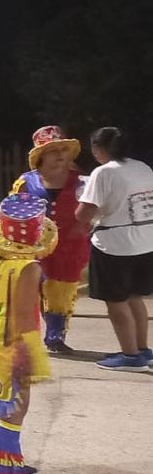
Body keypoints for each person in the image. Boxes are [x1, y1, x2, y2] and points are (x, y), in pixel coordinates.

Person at [0, 194, 57, 474]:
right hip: (12, 340)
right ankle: (6, 471)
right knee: (18, 404)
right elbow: (24, 317)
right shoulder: (28, 269)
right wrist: (31, 356)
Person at [76, 126, 153, 371]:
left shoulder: (103, 173)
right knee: (135, 297)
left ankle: (129, 355)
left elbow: (84, 212)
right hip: (145, 240)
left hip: (114, 244)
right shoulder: (142, 168)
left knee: (116, 301)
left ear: (100, 148)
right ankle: (141, 349)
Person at [11, 126, 93, 353]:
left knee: (62, 291)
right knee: (33, 288)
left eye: (63, 150)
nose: (60, 155)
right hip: (34, 245)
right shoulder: (26, 182)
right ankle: (34, 330)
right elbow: (14, 211)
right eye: (53, 151)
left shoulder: (83, 182)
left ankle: (56, 335)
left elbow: (95, 210)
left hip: (70, 247)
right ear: (40, 157)